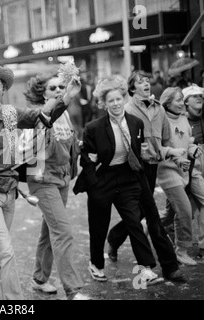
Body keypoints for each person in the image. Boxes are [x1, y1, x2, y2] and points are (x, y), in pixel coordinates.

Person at [0, 64, 80, 300]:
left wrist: (67, 96)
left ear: (3, 91)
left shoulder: (10, 113)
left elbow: (40, 115)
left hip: (9, 193)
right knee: (5, 251)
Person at [73, 75, 162, 285]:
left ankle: (146, 269)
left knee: (134, 222)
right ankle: (96, 264)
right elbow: (86, 158)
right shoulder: (93, 128)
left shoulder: (136, 123)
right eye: (110, 101)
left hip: (127, 179)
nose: (115, 103)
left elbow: (137, 152)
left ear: (124, 99)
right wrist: (94, 183)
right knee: (98, 227)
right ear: (104, 104)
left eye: (118, 99)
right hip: (102, 181)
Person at [106, 70, 187, 282]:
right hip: (133, 168)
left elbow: (166, 142)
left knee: (141, 212)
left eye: (148, 81)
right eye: (141, 82)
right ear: (132, 88)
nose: (146, 84)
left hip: (152, 166)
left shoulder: (159, 109)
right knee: (150, 215)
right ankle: (169, 266)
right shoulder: (127, 109)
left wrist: (176, 157)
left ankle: (114, 238)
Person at [22, 71, 90, 300]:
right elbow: (42, 148)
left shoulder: (64, 116)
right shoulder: (39, 115)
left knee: (48, 231)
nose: (59, 91)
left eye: (61, 87)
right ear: (42, 94)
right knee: (63, 232)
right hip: (42, 179)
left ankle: (39, 278)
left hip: (60, 179)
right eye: (53, 88)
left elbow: (66, 145)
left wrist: (78, 146)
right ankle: (73, 290)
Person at [157, 87, 203, 266]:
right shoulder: (160, 120)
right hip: (168, 170)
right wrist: (176, 157)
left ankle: (150, 225)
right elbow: (156, 148)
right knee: (185, 209)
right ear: (167, 102)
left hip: (183, 170)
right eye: (177, 100)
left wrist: (193, 150)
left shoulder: (183, 118)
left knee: (169, 214)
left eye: (181, 99)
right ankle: (181, 250)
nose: (181, 102)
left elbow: (187, 142)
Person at [183, 84, 204, 260]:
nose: (199, 98)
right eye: (194, 96)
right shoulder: (181, 120)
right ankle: (157, 227)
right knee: (183, 208)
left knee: (197, 206)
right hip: (190, 164)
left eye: (201, 96)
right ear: (186, 102)